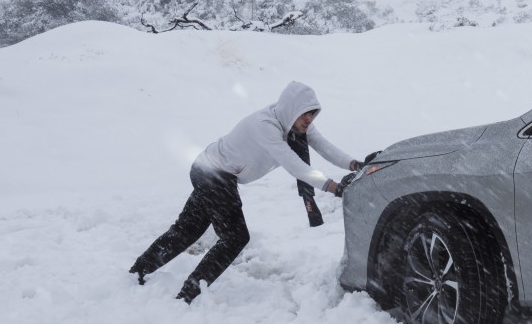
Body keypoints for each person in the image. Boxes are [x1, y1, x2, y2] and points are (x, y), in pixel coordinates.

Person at [128, 81, 360, 303]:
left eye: (313, 113)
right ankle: (190, 293)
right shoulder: (266, 126)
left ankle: (138, 271)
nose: (309, 119)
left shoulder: (295, 124)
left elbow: (325, 146)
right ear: (292, 109)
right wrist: (334, 188)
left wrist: (354, 165)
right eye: (305, 113)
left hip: (212, 170)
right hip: (213, 173)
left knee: (187, 230)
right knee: (235, 237)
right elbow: (296, 166)